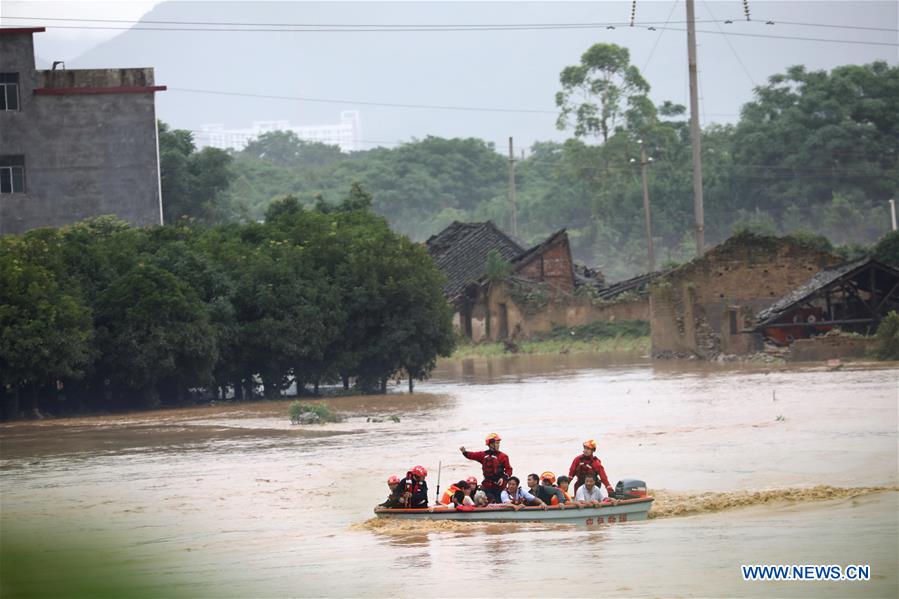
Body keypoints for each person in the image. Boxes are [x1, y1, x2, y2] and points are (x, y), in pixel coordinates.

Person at [460, 433, 513, 503]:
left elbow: (509, 470)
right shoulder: (483, 455)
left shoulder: (503, 456)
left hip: (499, 487)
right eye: (497, 443)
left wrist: (503, 478)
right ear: (491, 444)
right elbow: (472, 455)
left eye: (498, 443)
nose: (498, 445)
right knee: (483, 498)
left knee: (499, 501)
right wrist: (464, 452)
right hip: (487, 486)